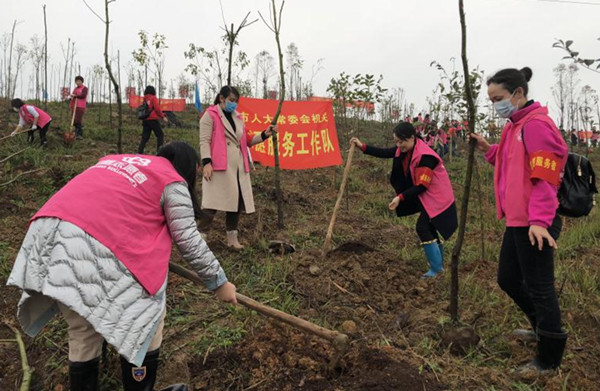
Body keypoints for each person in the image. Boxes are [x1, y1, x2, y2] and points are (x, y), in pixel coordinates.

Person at [7, 142, 236, 391]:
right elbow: (188, 239)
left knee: (83, 326)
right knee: (146, 322)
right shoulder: (172, 179)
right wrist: (219, 283)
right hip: (94, 245)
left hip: (47, 237)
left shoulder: (114, 161)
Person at [470, 67, 568, 374]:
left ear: (518, 94)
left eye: (498, 98)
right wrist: (490, 150)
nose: (495, 104)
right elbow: (514, 158)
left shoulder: (537, 125)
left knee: (540, 287)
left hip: (535, 222)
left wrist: (539, 220)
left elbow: (546, 176)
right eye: (491, 100)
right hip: (518, 220)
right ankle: (539, 326)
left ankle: (549, 358)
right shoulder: (515, 126)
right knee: (508, 279)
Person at [350, 122, 458, 278]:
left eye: (402, 142)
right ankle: (439, 266)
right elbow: (385, 152)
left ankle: (436, 269)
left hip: (437, 197)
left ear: (412, 138)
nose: (399, 146)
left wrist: (400, 198)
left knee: (422, 227)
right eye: (396, 142)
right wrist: (363, 147)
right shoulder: (405, 150)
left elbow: (422, 186)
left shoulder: (425, 156)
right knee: (429, 227)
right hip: (428, 197)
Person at [198, 86, 276, 250]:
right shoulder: (210, 115)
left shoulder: (237, 117)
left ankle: (232, 239)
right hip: (219, 166)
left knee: (235, 204)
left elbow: (246, 139)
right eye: (231, 100)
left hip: (237, 167)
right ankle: (200, 239)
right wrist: (207, 163)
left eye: (236, 101)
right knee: (211, 203)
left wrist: (264, 134)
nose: (234, 104)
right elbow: (204, 141)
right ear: (221, 98)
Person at [138, 85, 168, 154]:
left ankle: (139, 152)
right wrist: (163, 117)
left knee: (145, 137)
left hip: (145, 120)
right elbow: (157, 109)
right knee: (160, 135)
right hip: (153, 120)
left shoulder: (144, 98)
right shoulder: (153, 98)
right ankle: (159, 152)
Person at [69, 76, 88, 140]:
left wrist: (76, 96)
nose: (78, 82)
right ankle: (76, 132)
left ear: (82, 81)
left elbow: (83, 95)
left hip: (80, 106)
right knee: (74, 120)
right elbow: (73, 95)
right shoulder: (75, 89)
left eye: (79, 81)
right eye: (77, 81)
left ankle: (79, 134)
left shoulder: (85, 88)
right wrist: (71, 97)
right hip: (74, 106)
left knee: (78, 120)